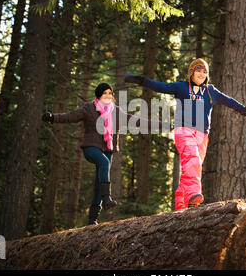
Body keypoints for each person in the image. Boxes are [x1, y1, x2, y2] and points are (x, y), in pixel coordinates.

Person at [125, 58, 246, 210]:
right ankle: (193, 194)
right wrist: (142, 80)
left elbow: (230, 102)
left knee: (190, 168)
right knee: (192, 160)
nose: (201, 74)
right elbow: (160, 86)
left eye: (204, 72)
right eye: (198, 70)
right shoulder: (181, 87)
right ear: (191, 72)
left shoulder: (210, 91)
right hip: (183, 131)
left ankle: (181, 205)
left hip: (202, 135)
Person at [42, 82, 163, 225]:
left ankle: (92, 219)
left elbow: (136, 121)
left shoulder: (116, 111)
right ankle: (107, 199)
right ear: (99, 95)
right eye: (105, 93)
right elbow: (71, 116)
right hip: (91, 147)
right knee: (104, 162)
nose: (108, 95)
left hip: (108, 149)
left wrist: (160, 124)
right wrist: (53, 117)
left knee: (100, 182)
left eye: (110, 93)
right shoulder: (89, 108)